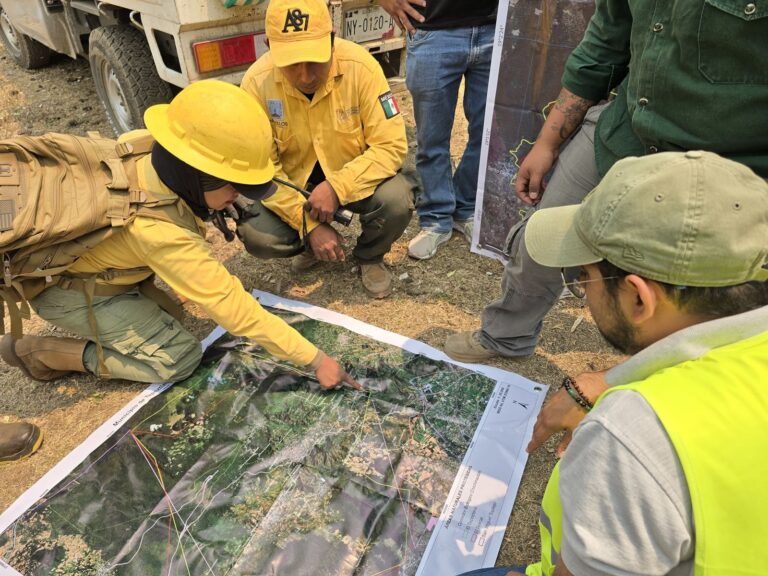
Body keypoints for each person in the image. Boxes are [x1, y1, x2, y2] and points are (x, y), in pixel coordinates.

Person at [460, 150, 768, 575]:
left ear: (639, 298)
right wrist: (610, 379)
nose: (582, 291)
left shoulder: (630, 436)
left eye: (582, 276)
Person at [0, 80, 357, 428]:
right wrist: (316, 360)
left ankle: (122, 298)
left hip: (99, 268)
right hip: (64, 291)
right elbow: (236, 310)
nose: (239, 195)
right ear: (197, 176)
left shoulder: (149, 148)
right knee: (179, 358)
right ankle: (40, 352)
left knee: (173, 314)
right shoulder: (161, 233)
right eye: (233, 185)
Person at [444, 0, 768, 362]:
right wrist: (549, 140)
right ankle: (507, 335)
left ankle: (673, 372)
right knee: (543, 234)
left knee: (708, 290)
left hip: (731, 161)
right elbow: (605, 40)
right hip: (626, 129)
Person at [237, 0, 413, 298]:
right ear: (269, 45)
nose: (305, 76)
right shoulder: (256, 84)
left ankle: (369, 256)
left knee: (397, 200)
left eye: (315, 60)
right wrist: (308, 223)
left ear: (332, 37)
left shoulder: (363, 68)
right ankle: (310, 245)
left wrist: (337, 187)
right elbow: (263, 169)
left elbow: (391, 145)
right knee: (257, 234)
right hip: (297, 188)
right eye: (292, 63)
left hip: (354, 179)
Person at [379, 0, 496, 260]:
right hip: (432, 28)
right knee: (432, 139)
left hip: (495, 28)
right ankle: (436, 217)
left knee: (489, 136)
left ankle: (465, 207)